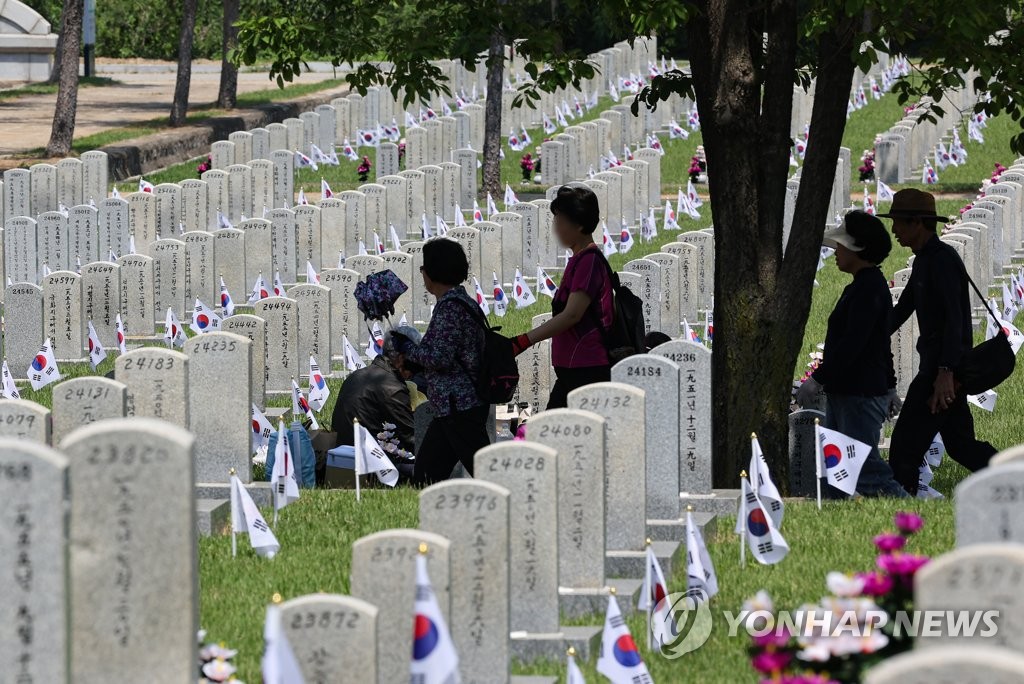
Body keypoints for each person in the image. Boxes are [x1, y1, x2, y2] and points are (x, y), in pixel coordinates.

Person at [879, 189, 996, 495]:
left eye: (899, 223)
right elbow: (902, 310)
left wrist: (946, 373)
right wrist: (866, 335)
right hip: (941, 368)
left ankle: (898, 505)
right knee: (961, 446)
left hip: (942, 372)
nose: (894, 230)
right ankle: (1012, 477)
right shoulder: (923, 261)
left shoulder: (942, 260)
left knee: (905, 446)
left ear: (917, 222)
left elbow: (954, 320)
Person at [796, 211, 907, 497]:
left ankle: (913, 515)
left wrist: (817, 379)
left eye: (841, 247)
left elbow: (854, 345)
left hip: (860, 394)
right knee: (839, 472)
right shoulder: (862, 286)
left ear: (857, 250)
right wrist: (891, 385)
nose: (836, 252)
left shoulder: (868, 290)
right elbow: (879, 343)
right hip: (850, 392)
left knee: (867, 471)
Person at [509, 184, 614, 408]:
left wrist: (524, 341)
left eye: (560, 222)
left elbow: (572, 315)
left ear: (580, 225)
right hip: (572, 370)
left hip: (587, 369)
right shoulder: (579, 259)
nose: (555, 229)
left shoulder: (589, 261)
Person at [398, 238, 489, 484]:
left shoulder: (450, 308)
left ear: (432, 272)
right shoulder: (461, 303)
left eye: (423, 268)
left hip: (459, 406)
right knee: (426, 475)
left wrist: (407, 349)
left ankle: (517, 510)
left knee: (487, 475)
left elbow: (440, 357)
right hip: (453, 406)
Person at [331, 326, 421, 454]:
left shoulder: (357, 375)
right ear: (401, 359)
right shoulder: (392, 388)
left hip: (342, 454)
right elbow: (411, 438)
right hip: (368, 462)